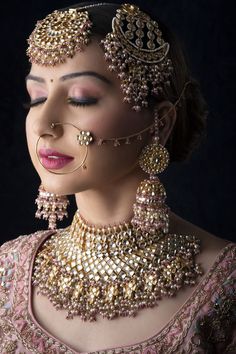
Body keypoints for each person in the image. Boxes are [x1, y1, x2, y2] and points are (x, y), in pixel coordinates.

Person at [0, 1, 235, 353]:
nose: (44, 125)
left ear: (161, 122)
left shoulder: (224, 285)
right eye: (36, 98)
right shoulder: (8, 271)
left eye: (81, 98)